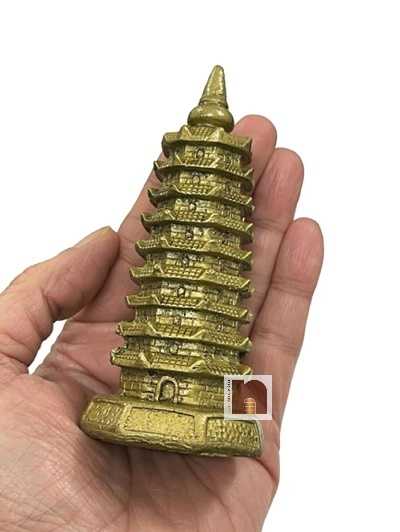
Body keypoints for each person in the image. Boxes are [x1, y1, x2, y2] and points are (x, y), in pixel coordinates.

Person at [0, 116, 323, 531]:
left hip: (211, 380)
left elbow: (246, 389)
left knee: (241, 363)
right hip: (165, 400)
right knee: (247, 364)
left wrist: (245, 423)